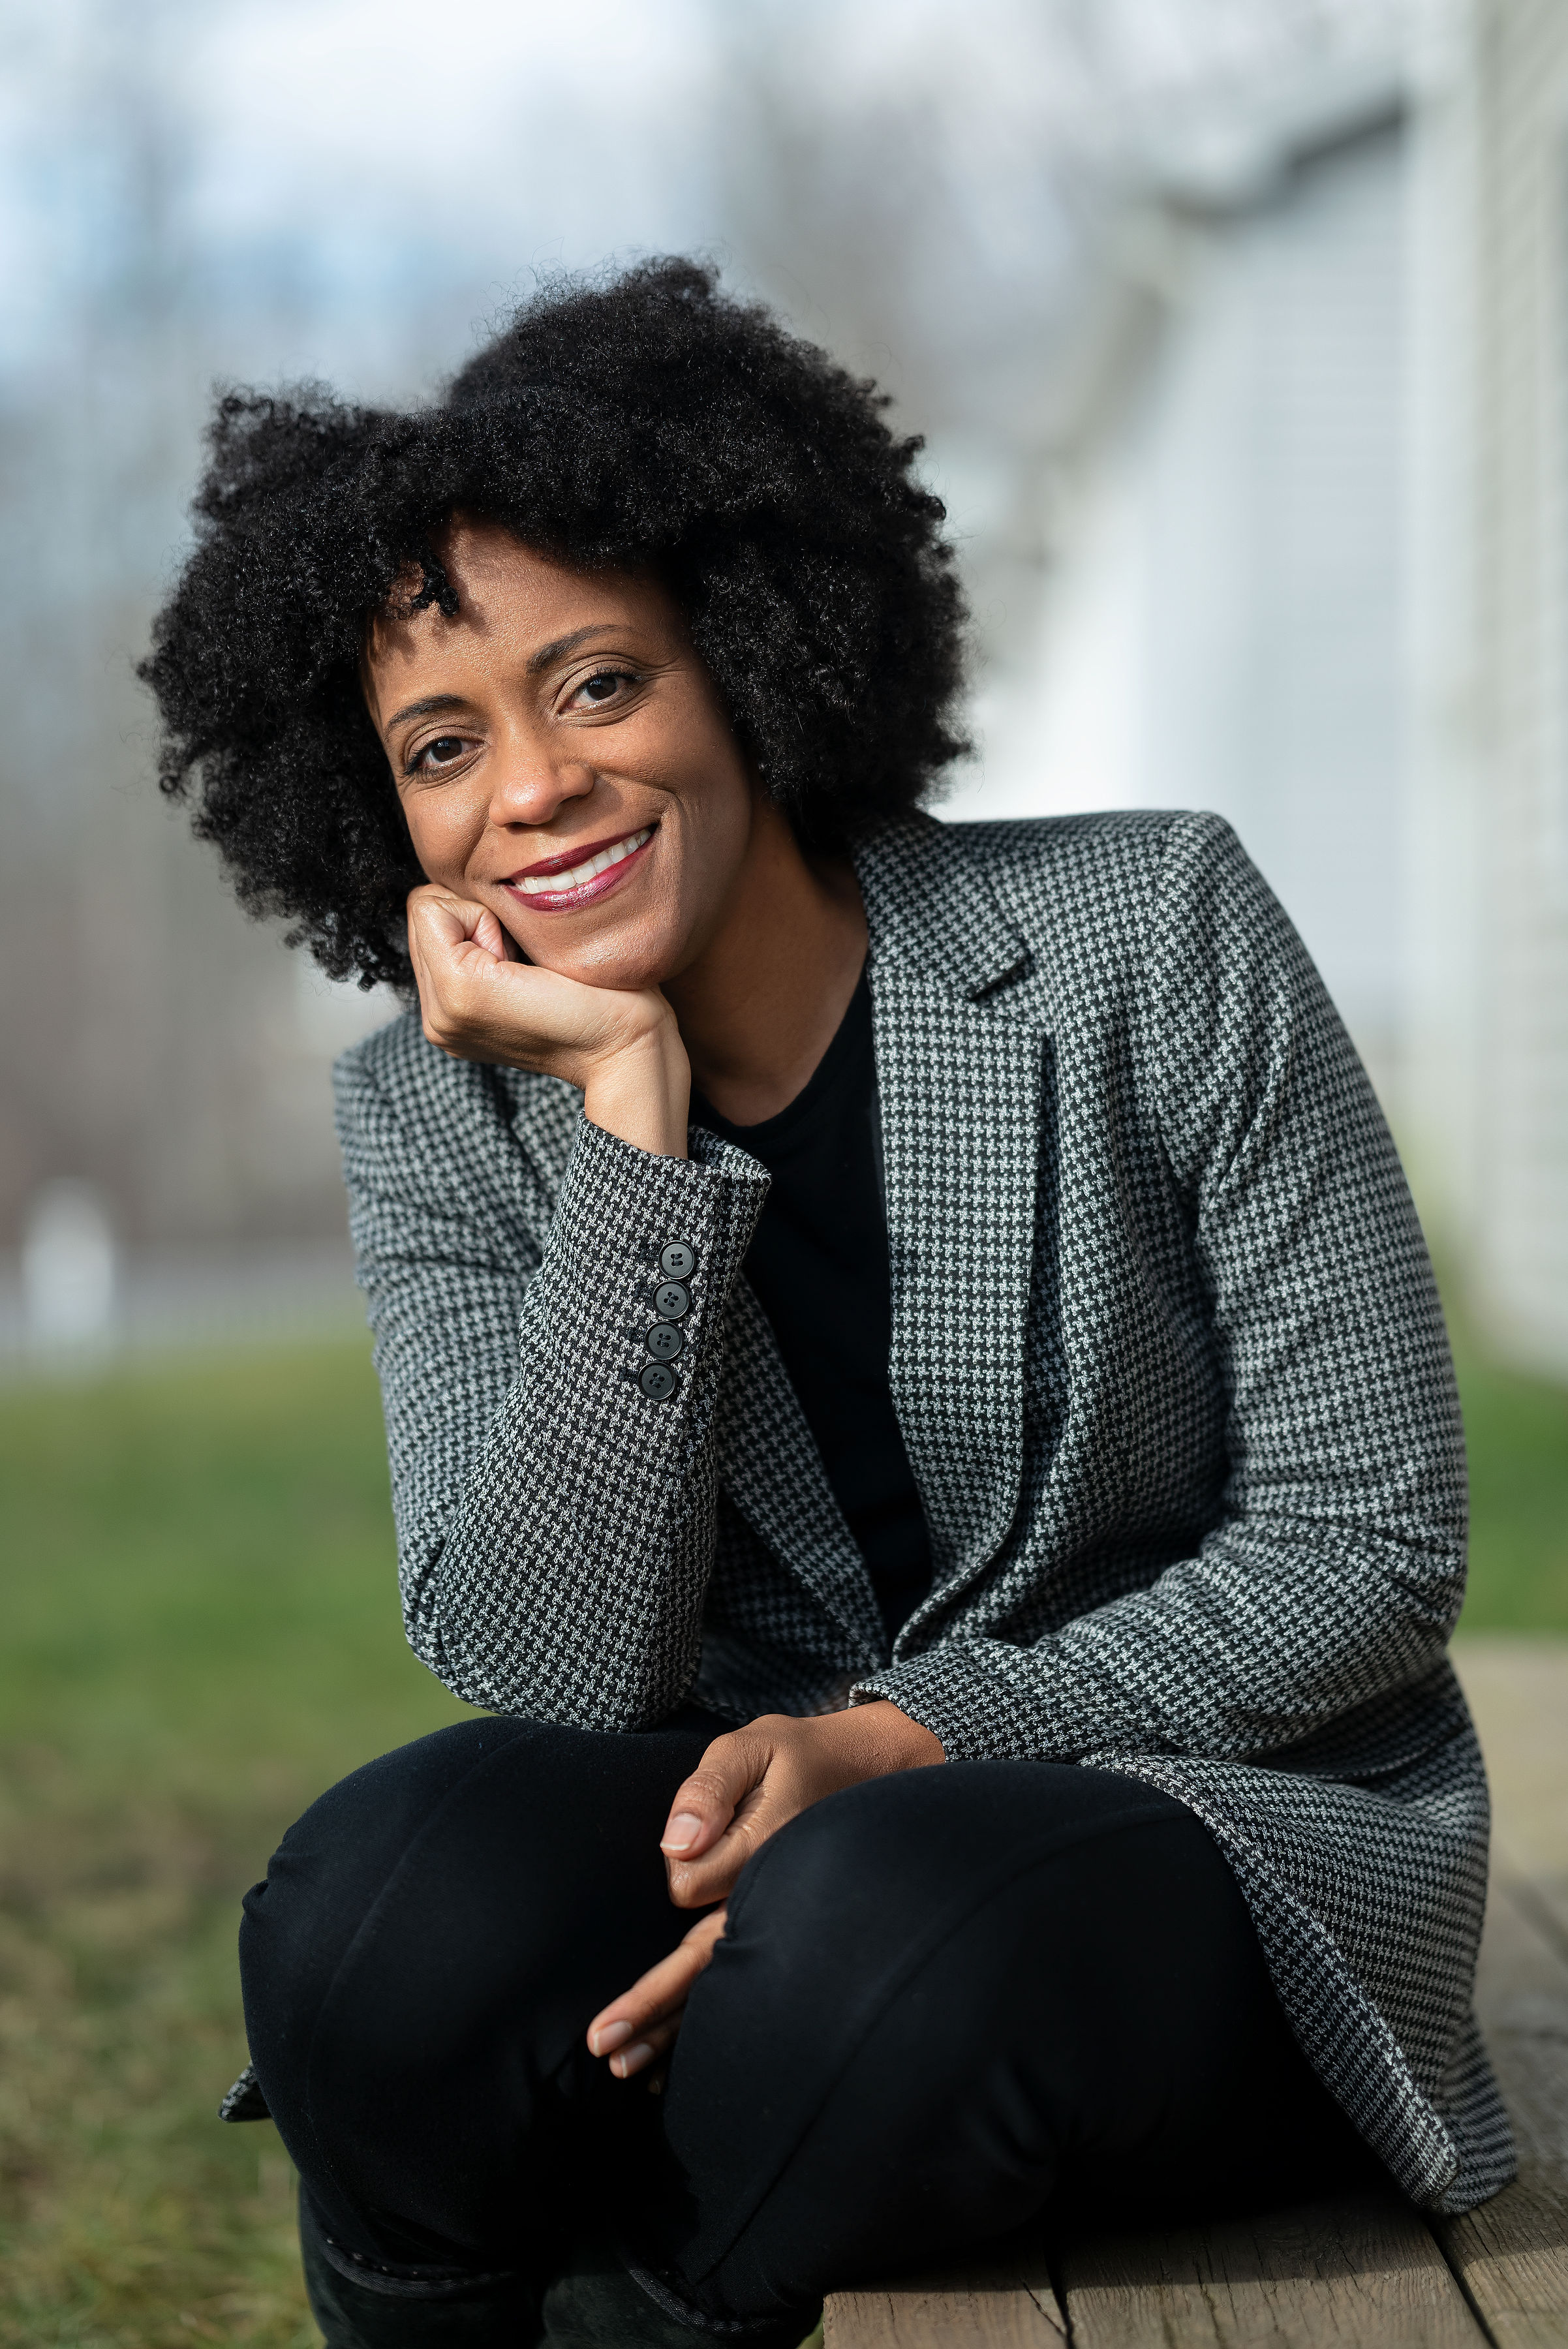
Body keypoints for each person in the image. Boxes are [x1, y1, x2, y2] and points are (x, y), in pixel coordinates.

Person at [142, 260, 1514, 2348]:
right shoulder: (432, 1117)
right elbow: (544, 1659)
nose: (530, 788)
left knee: (871, 1947)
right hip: (725, 1813)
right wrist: (631, 1129)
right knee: (373, 1934)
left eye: (596, 685)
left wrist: (903, 1745)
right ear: (380, 818)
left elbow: (1366, 1545)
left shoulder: (1151, 931)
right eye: (442, 743)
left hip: (1205, 1806)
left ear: (745, 657)